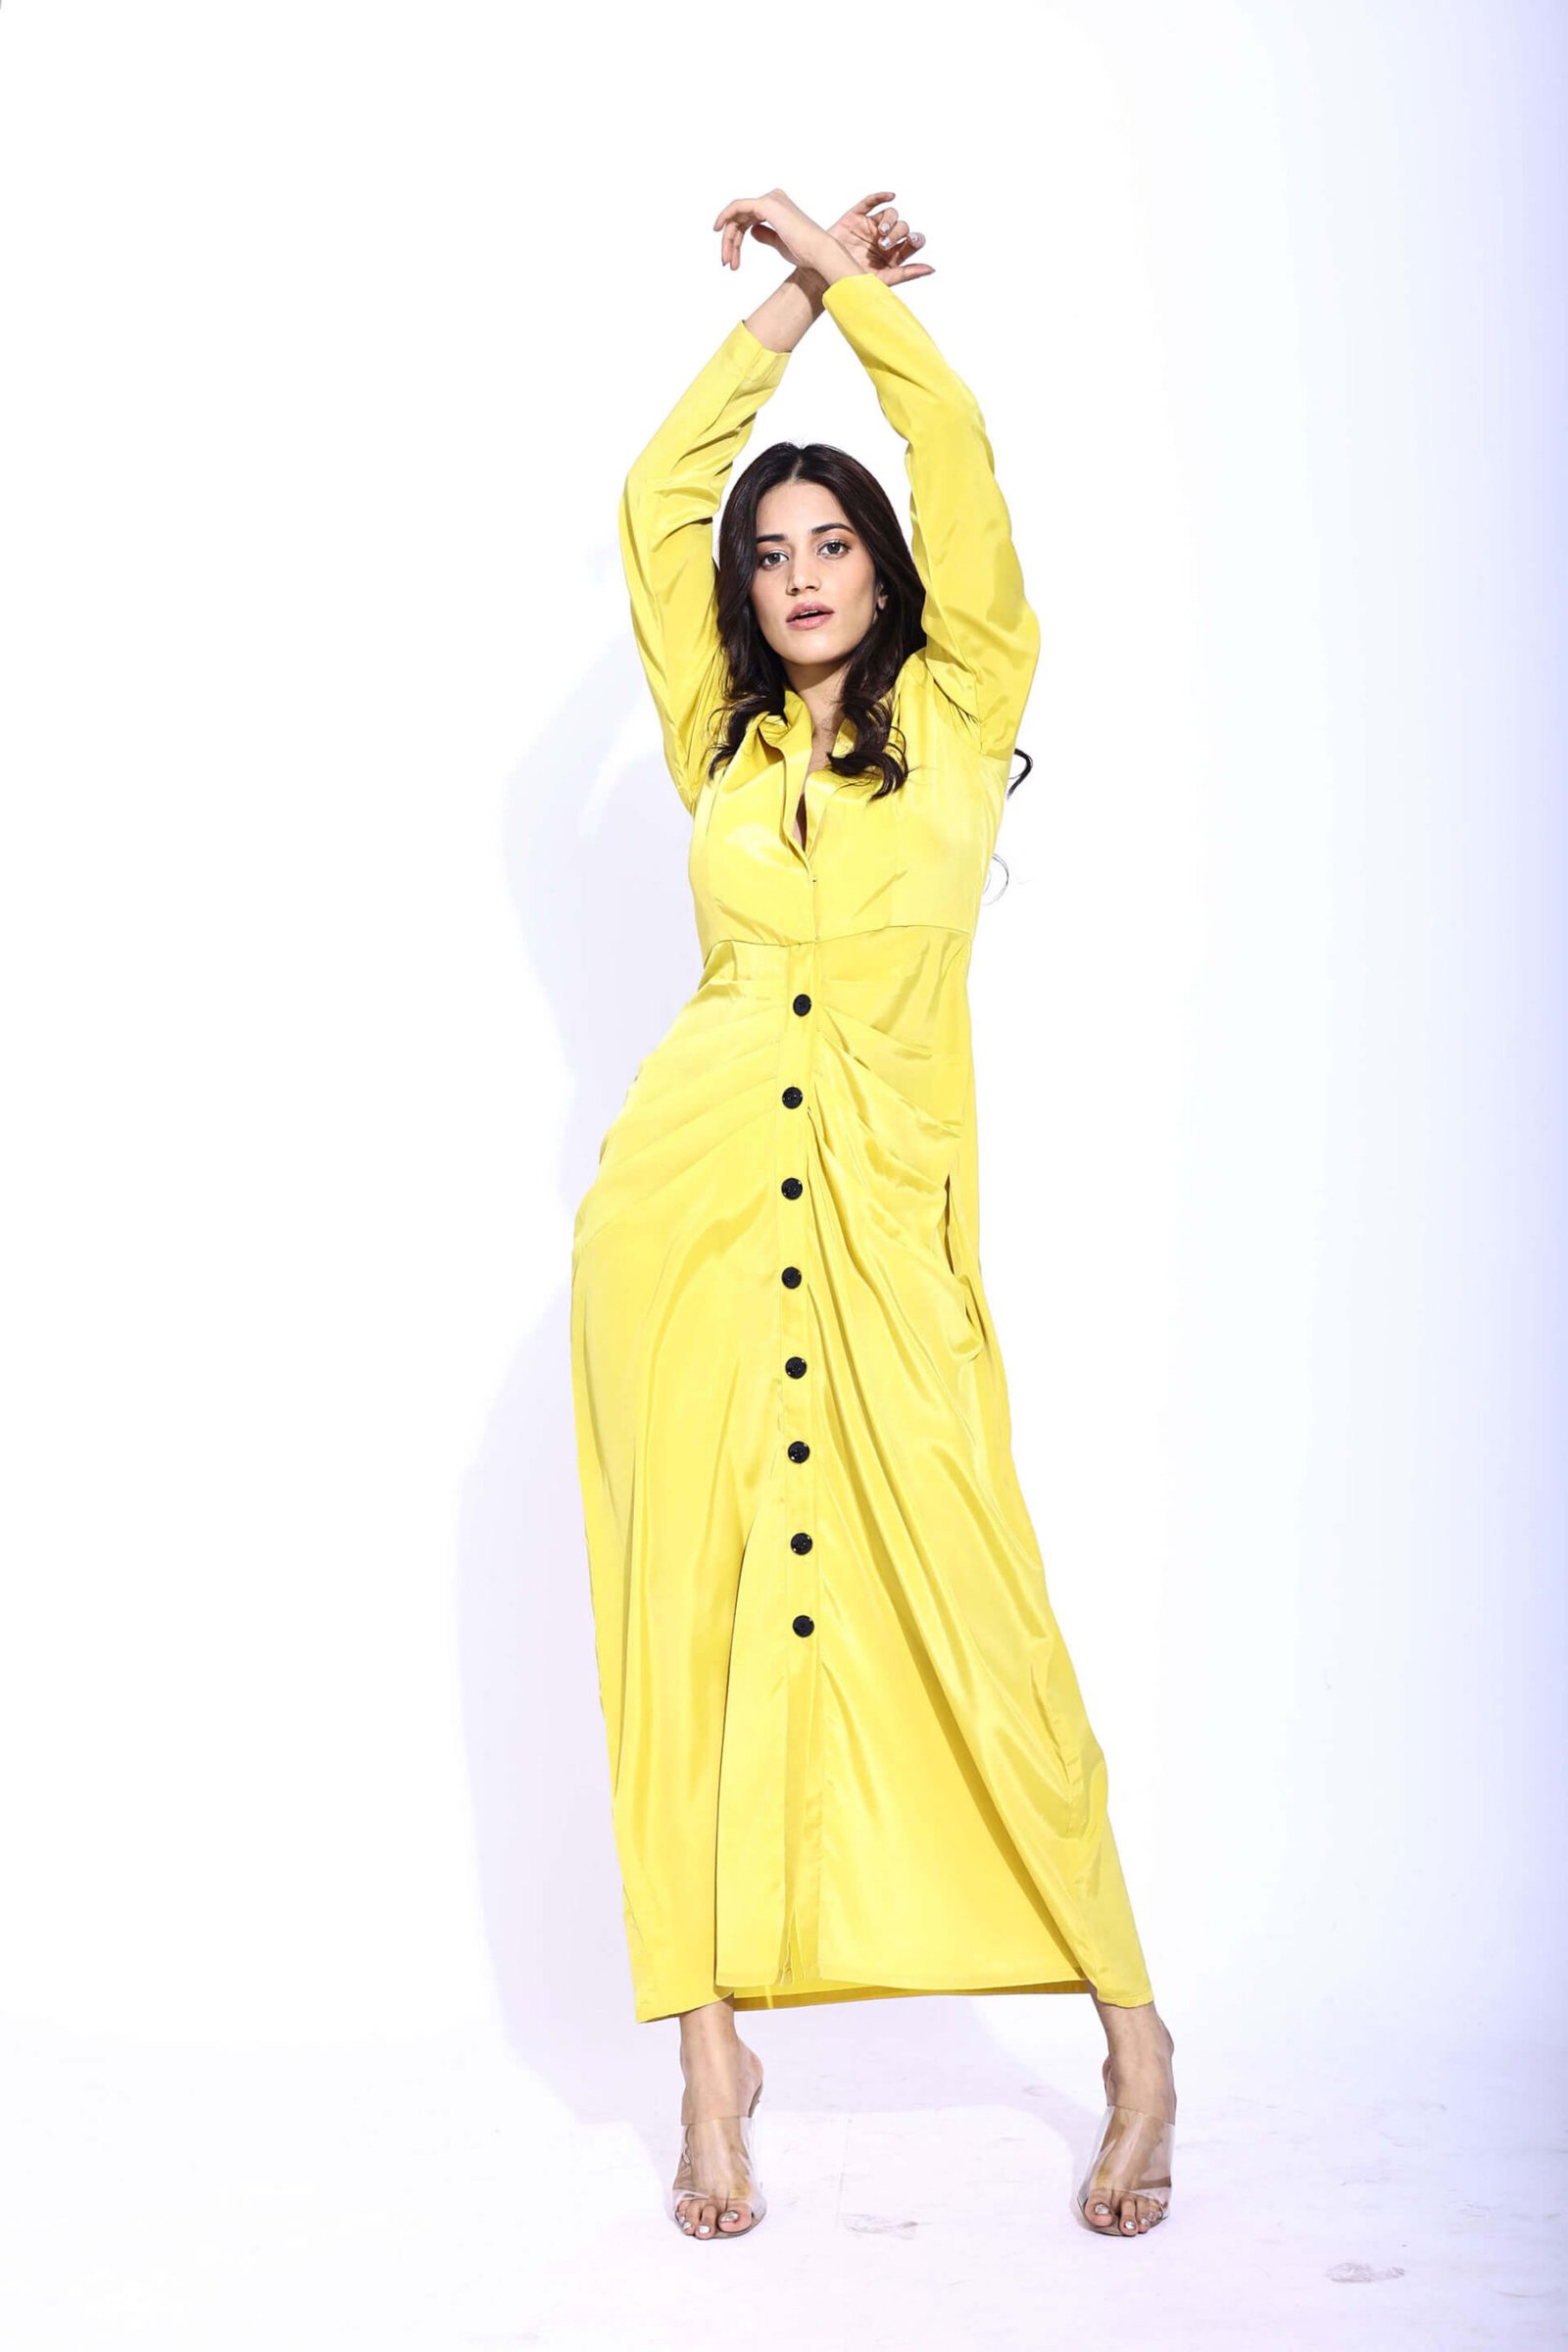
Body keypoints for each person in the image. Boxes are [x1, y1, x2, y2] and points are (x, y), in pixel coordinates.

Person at [568, 186, 1178, 2242]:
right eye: (772, 553)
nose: (798, 573)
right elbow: (656, 491)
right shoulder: (719, 740)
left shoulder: (969, 709)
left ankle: (1133, 2040)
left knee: (982, 1609)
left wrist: (852, 295)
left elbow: (961, 463)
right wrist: (771, 315)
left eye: (829, 543)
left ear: (883, 571)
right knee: (684, 1622)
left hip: (884, 1221)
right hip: (680, 1224)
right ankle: (709, 2068)